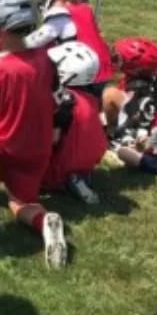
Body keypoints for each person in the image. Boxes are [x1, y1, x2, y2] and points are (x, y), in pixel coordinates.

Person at [0, 0, 68, 269]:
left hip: (0, 142)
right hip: (36, 148)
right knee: (19, 203)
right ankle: (45, 223)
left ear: (1, 31)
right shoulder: (46, 60)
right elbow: (59, 103)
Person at [26, 0, 114, 99]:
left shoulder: (59, 16)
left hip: (81, 78)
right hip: (102, 75)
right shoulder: (84, 11)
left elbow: (34, 41)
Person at [43, 42, 108, 204]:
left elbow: (52, 140)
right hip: (89, 159)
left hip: (64, 162)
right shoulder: (91, 99)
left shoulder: (62, 103)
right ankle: (80, 177)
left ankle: (61, 180)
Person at [102, 36, 157, 140]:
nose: (114, 60)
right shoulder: (153, 80)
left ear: (136, 69)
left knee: (109, 95)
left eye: (119, 59)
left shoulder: (139, 92)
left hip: (133, 136)